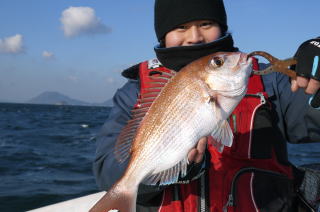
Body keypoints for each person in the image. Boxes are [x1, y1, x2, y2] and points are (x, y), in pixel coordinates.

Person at [93, 0, 320, 211]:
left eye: (205, 24)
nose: (194, 37)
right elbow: (107, 169)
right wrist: (169, 170)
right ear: (163, 35)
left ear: (222, 27)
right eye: (181, 27)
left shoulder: (270, 81)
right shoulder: (135, 92)